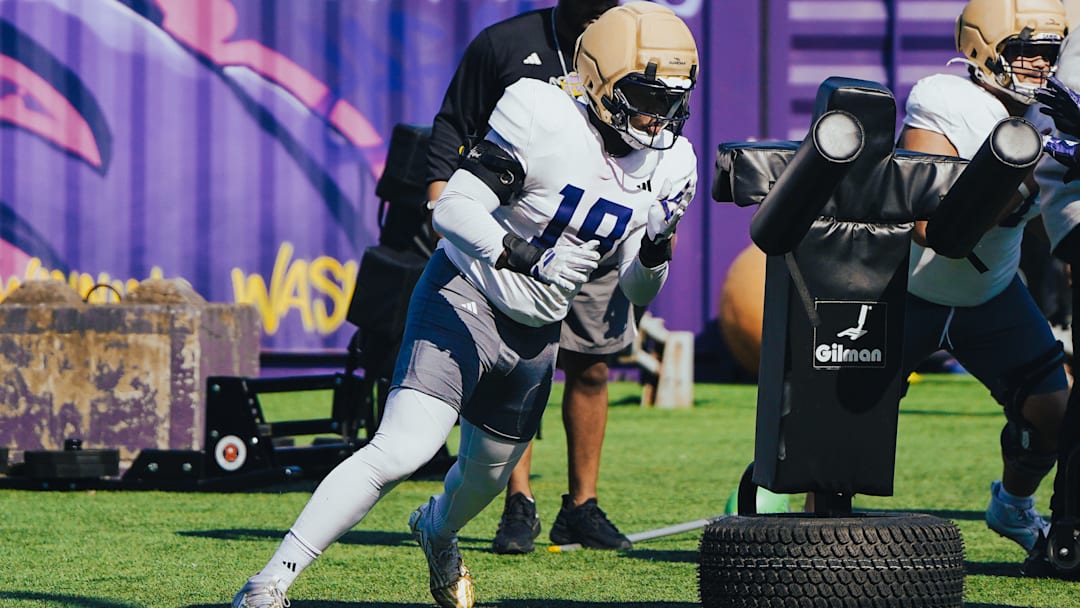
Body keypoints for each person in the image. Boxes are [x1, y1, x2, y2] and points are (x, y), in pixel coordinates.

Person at [231, 3, 700, 607]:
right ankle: (270, 582)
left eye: (671, 100)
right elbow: (452, 209)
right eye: (645, 95)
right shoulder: (541, 112)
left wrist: (659, 241)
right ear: (602, 81)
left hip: (537, 332)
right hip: (468, 293)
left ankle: (436, 529)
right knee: (403, 447)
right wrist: (527, 256)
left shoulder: (670, 163)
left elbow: (636, 293)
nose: (657, 116)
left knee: (484, 478)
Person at [425, 0, 639, 554]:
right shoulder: (503, 43)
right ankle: (518, 504)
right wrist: (440, 198)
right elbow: (454, 123)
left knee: (591, 370)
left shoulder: (634, 44)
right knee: (517, 368)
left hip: (595, 241)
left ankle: (582, 507)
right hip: (519, 242)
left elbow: (651, 135)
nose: (596, 10)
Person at [897, 0, 1068, 555]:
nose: (1040, 67)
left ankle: (1013, 505)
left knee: (1055, 415)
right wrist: (1004, 192)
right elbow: (923, 221)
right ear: (983, 49)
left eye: (1049, 54)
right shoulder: (944, 98)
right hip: (907, 291)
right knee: (846, 419)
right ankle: (813, 526)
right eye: (1027, 52)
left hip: (991, 293)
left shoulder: (1048, 113)